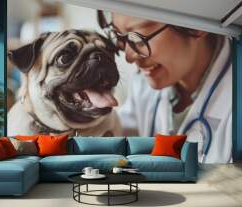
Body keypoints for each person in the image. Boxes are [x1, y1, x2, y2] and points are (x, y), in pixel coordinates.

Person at [98, 11, 232, 163]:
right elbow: (120, 133)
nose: (129, 57)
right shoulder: (142, 85)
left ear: (196, 25)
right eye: (120, 37)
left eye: (138, 37)